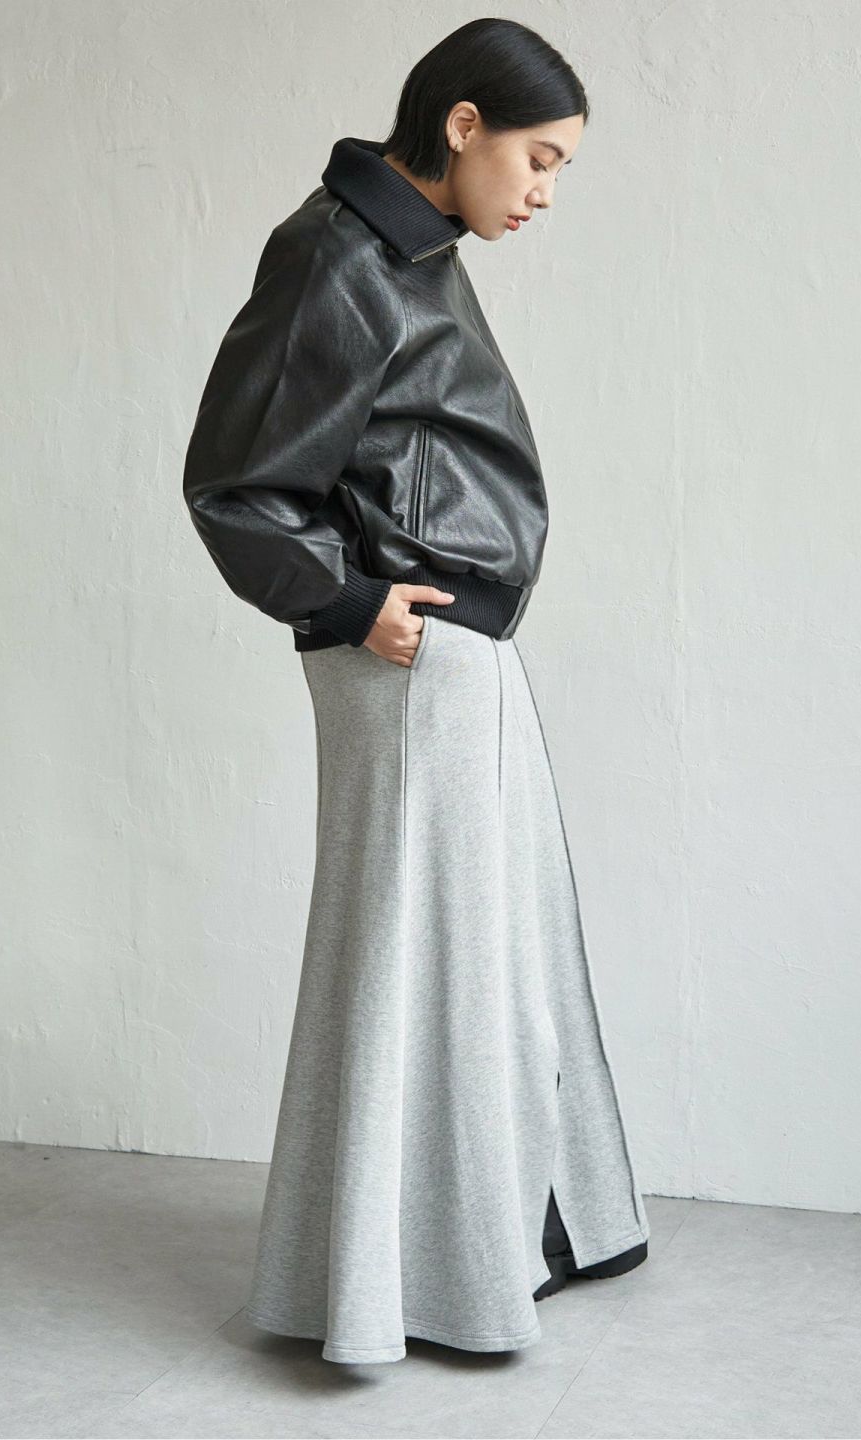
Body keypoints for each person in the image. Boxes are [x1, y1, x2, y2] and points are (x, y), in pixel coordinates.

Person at [182, 17, 650, 1365]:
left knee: (475, 963)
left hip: (454, 659)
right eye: (540, 158)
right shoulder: (338, 254)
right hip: (408, 658)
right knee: (415, 971)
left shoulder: (408, 249)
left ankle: (472, 1254)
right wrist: (347, 603)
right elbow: (236, 480)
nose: (545, 192)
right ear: (462, 124)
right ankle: (404, 1289)